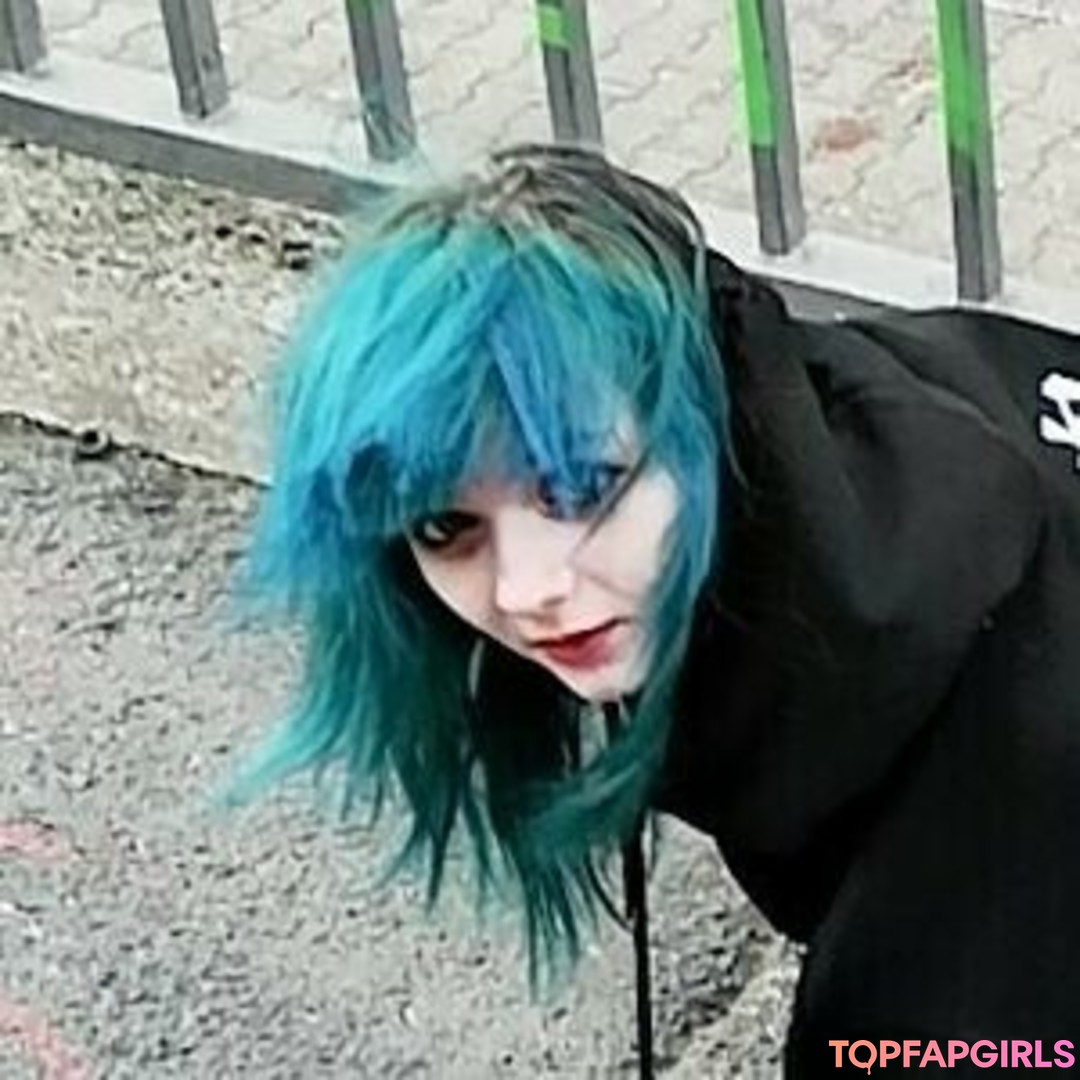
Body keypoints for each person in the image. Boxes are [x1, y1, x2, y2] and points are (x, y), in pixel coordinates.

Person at [233, 143, 1080, 1077]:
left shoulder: (992, 730)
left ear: (700, 415)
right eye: (446, 527)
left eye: (580, 487)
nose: (526, 589)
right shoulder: (813, 419)